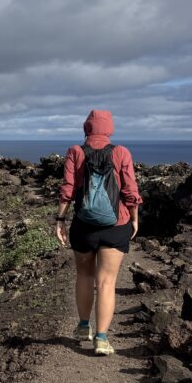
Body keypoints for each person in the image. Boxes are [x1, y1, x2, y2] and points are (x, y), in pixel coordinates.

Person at [54, 110, 141, 356]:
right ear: (109, 129)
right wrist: (134, 218)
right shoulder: (121, 152)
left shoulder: (75, 152)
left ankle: (83, 327)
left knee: (84, 276)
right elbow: (130, 190)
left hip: (83, 226)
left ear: (87, 128)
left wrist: (60, 219)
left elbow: (68, 189)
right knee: (106, 282)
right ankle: (101, 339)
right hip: (116, 226)